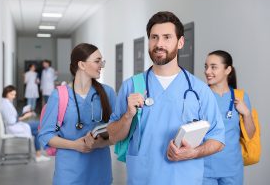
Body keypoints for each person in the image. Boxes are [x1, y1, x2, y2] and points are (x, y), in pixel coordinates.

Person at [107, 11, 225, 185]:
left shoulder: (199, 90)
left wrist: (193, 152)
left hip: (185, 178)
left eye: (167, 37)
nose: (159, 44)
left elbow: (218, 139)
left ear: (180, 42)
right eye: (154, 37)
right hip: (143, 177)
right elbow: (112, 136)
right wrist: (127, 116)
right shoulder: (131, 86)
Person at [38, 43, 116, 185]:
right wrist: (75, 145)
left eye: (102, 61)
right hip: (69, 173)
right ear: (81, 64)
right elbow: (45, 135)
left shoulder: (107, 93)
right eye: (97, 61)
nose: (101, 65)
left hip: (99, 171)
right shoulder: (59, 95)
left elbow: (117, 132)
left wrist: (99, 143)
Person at [203, 50, 256, 185]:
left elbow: (250, 135)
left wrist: (247, 114)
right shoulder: (200, 96)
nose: (208, 71)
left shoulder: (241, 96)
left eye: (213, 67)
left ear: (228, 70)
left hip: (232, 168)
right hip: (205, 167)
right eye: (206, 66)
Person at [0, 85, 50, 162]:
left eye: (14, 95)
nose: (13, 97)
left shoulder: (6, 103)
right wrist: (24, 117)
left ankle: (38, 156)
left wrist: (23, 114)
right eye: (11, 94)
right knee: (40, 124)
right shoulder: (5, 105)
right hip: (14, 128)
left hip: (16, 125)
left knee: (37, 133)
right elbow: (11, 121)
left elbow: (13, 117)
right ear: (6, 93)